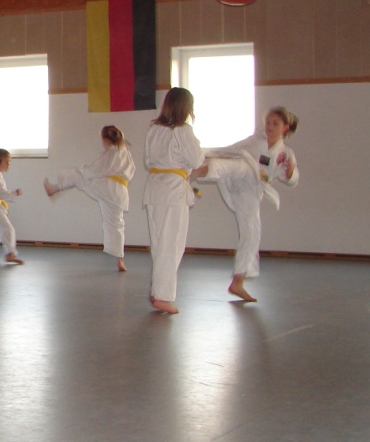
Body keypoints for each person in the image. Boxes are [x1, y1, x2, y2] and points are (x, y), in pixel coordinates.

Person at [194, 107, 300, 303]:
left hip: (251, 191)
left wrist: (290, 172)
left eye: (275, 123)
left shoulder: (286, 153)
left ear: (285, 128)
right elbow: (229, 150)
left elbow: (292, 179)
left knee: (251, 234)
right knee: (234, 164)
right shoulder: (255, 141)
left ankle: (238, 281)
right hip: (239, 173)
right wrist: (201, 154)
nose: (269, 126)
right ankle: (192, 172)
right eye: (268, 122)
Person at [143, 88, 205, 314]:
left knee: (159, 244)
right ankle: (163, 296)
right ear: (187, 108)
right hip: (172, 191)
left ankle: (157, 291)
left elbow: (147, 161)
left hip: (153, 188)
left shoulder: (154, 129)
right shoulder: (183, 130)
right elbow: (196, 160)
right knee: (171, 245)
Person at [45, 125, 136, 271]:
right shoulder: (125, 153)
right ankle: (120, 260)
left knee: (77, 176)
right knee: (117, 224)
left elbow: (94, 170)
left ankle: (54, 189)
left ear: (106, 140)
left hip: (106, 188)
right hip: (120, 193)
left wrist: (83, 169)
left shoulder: (110, 153)